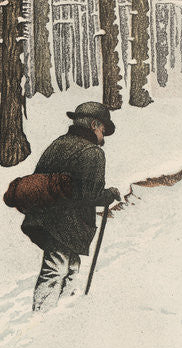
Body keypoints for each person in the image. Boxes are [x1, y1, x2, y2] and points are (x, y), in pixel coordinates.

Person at [21, 102, 122, 311]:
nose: (103, 137)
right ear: (94, 125)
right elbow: (90, 195)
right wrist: (109, 195)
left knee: (70, 267)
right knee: (56, 269)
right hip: (66, 224)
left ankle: (61, 314)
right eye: (103, 130)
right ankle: (41, 318)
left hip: (42, 219)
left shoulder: (58, 143)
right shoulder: (93, 152)